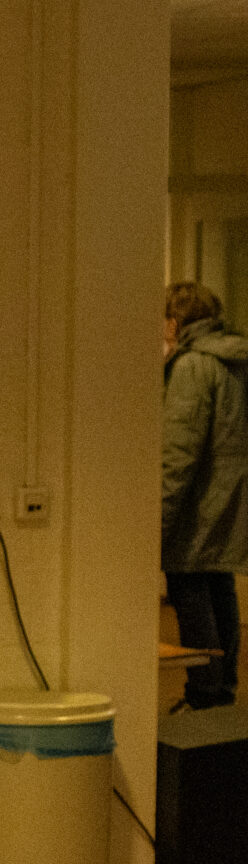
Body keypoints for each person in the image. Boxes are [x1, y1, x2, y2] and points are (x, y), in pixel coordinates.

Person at [162, 280, 248, 710]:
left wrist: (157, 522)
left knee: (193, 598)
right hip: (231, 507)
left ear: (174, 323)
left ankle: (203, 698)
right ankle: (223, 698)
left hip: (196, 512)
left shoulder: (193, 366)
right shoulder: (236, 360)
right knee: (221, 593)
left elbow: (178, 453)